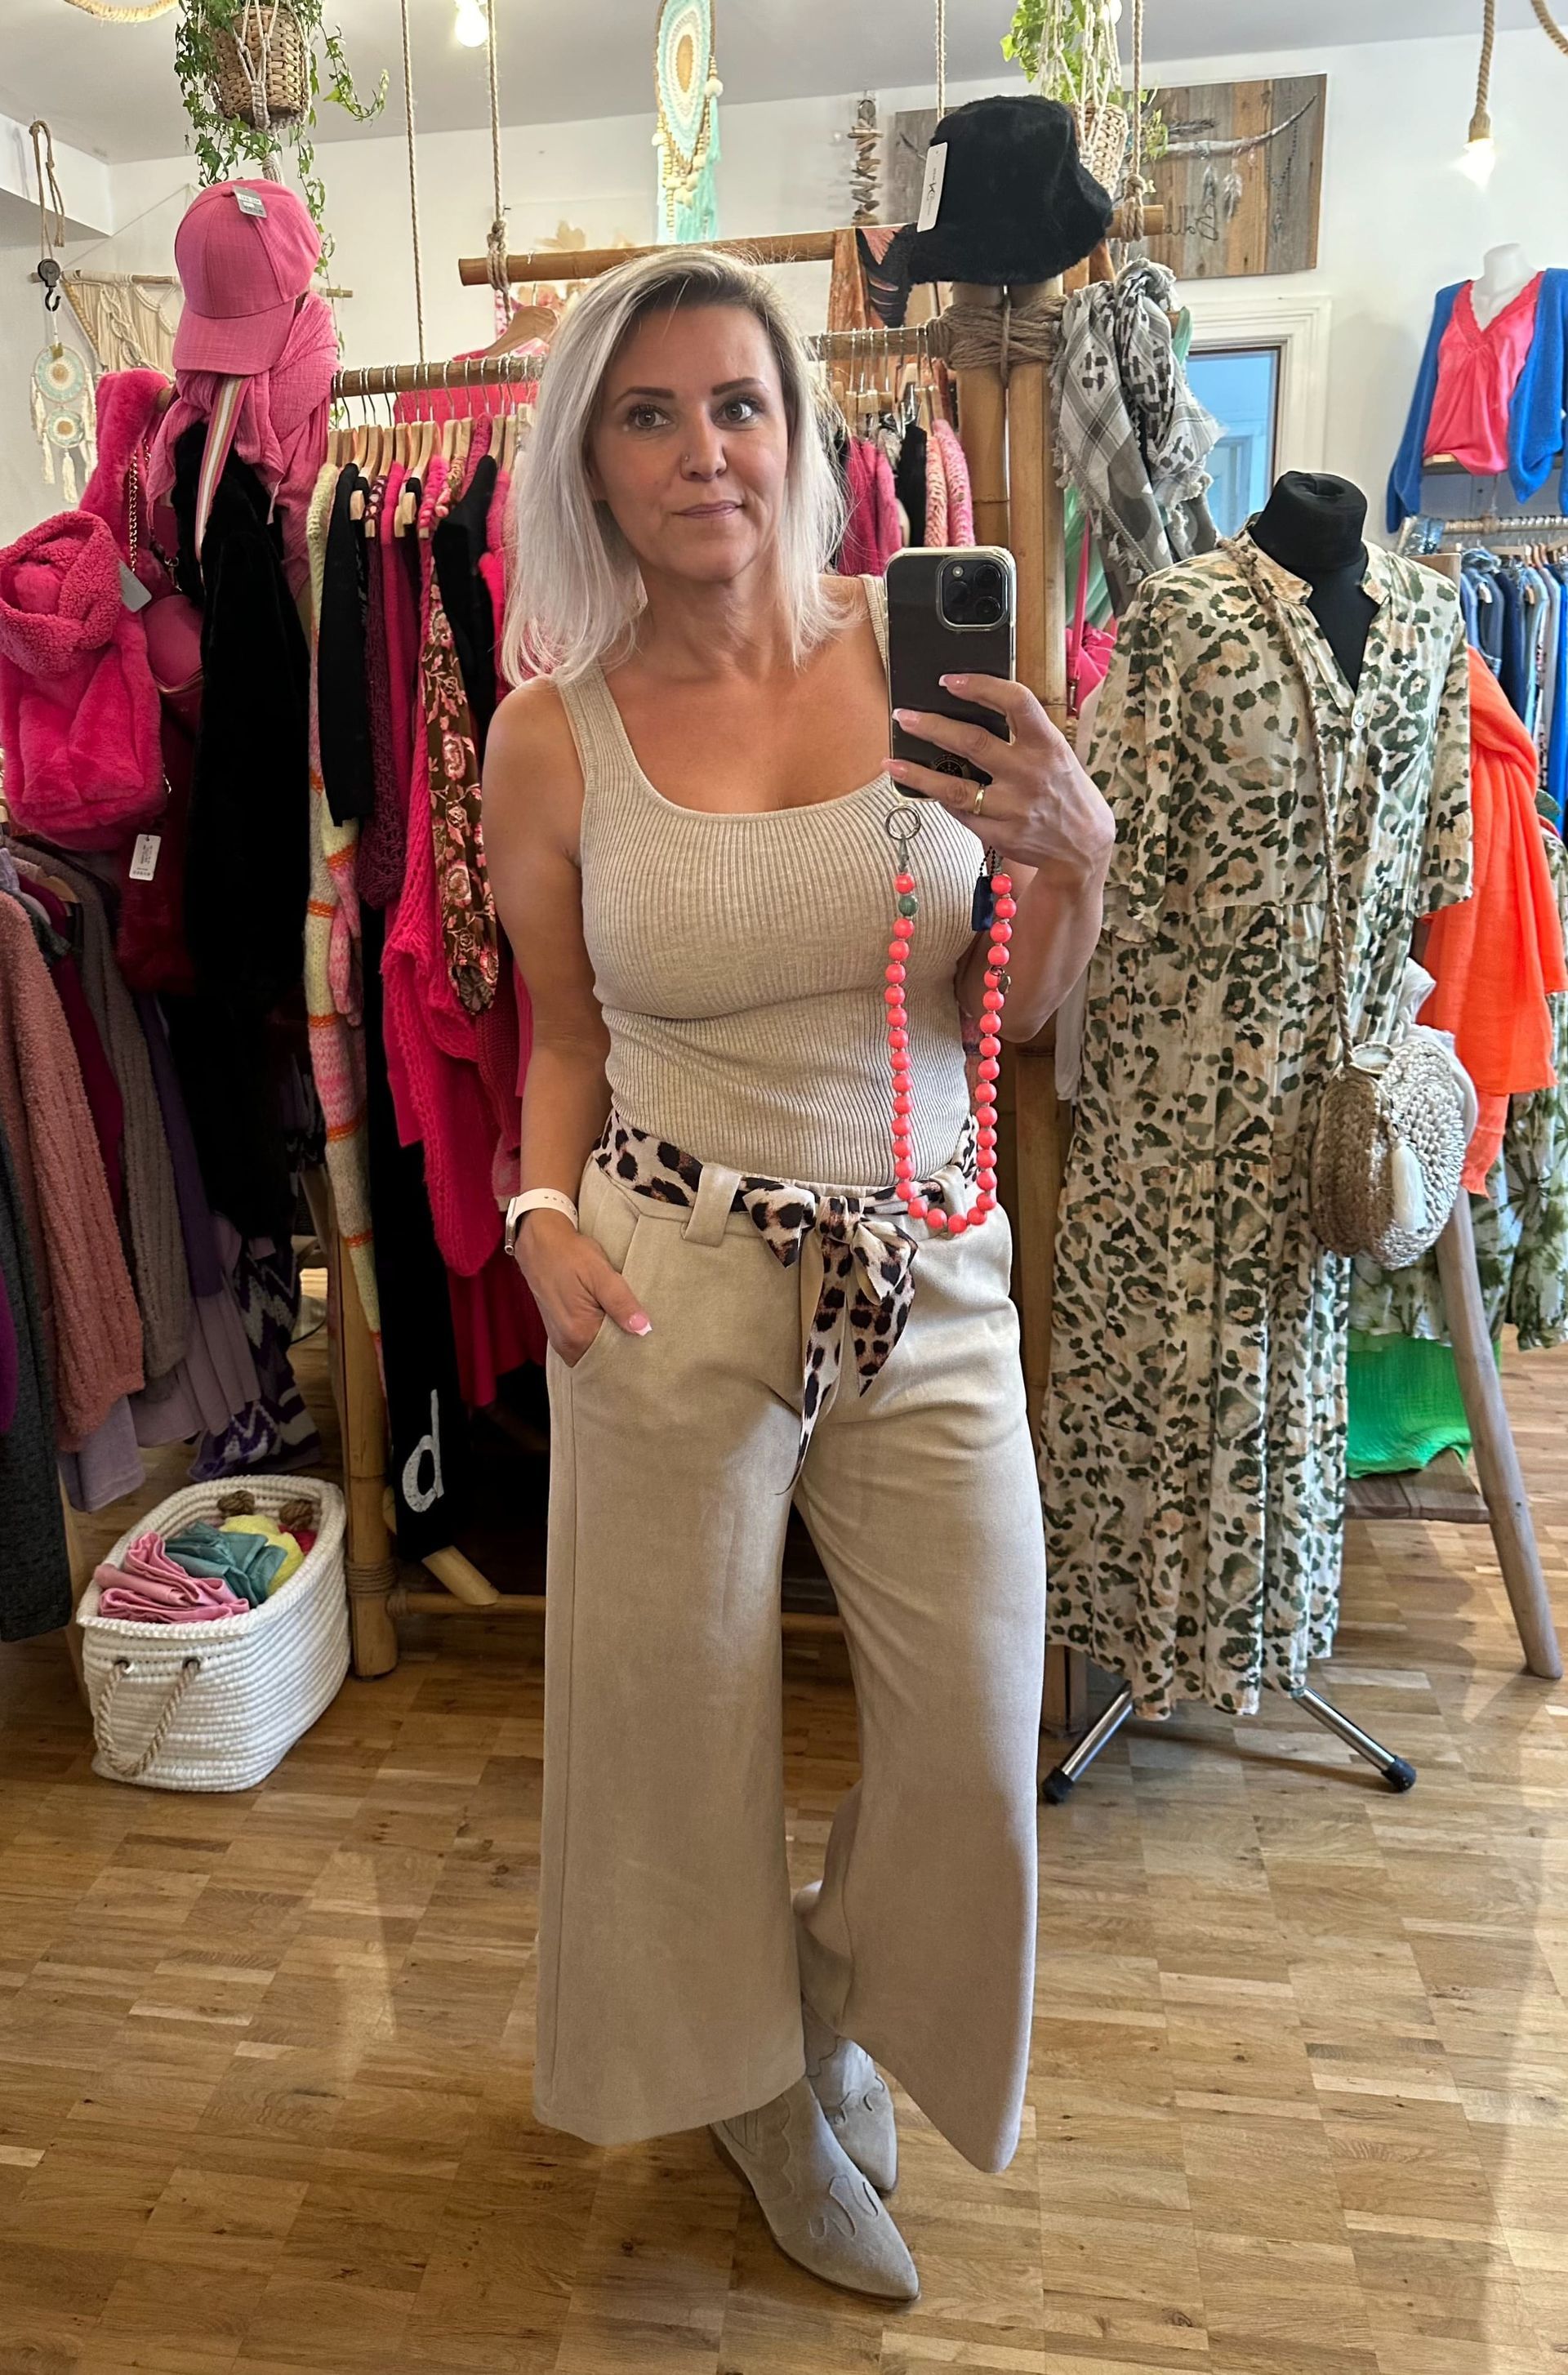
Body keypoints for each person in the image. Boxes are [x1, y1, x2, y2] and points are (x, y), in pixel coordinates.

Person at [482, 246, 1113, 2302]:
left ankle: (813, 2002)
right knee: (670, 1740)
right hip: (665, 1265)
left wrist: (1079, 854)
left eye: (736, 404)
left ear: (802, 428)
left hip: (922, 1268)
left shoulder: (924, 655)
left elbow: (1025, 1011)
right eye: (649, 414)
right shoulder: (549, 739)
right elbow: (561, 1037)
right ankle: (752, 2086)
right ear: (592, 459)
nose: (703, 452)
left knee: (974, 1736)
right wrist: (536, 1212)